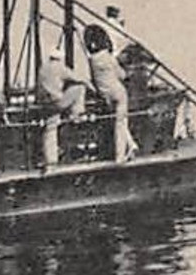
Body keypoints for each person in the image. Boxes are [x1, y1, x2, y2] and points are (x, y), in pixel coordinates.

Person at [85, 23, 137, 162]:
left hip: (105, 94)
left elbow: (94, 79)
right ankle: (120, 156)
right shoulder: (108, 57)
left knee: (118, 120)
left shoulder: (92, 60)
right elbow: (121, 75)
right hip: (118, 93)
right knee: (120, 122)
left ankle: (131, 144)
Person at [38, 39, 89, 167]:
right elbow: (78, 78)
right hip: (58, 102)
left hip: (45, 104)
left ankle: (51, 160)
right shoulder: (60, 68)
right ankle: (77, 114)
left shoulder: (42, 68)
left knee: (50, 129)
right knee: (80, 87)